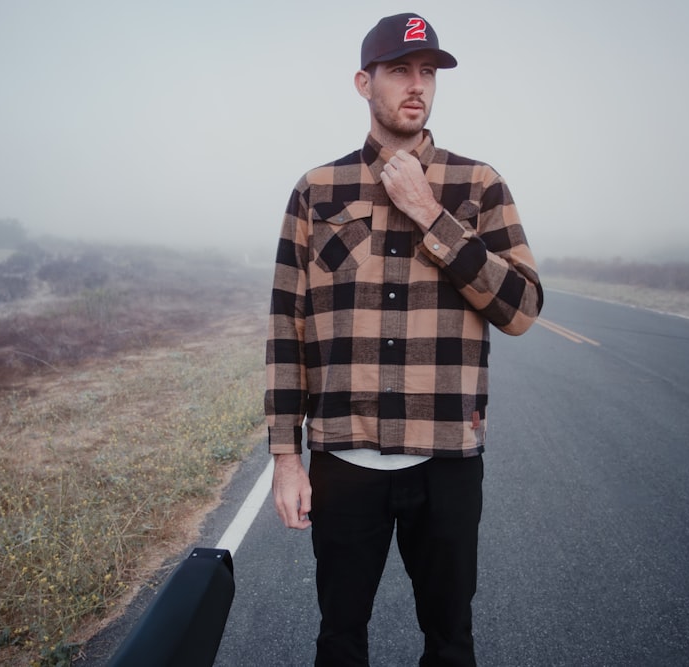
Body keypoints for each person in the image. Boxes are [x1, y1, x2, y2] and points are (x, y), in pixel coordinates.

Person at [265, 12, 543, 666]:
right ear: (365, 82)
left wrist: (429, 212)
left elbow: (522, 308)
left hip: (446, 458)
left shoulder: (478, 186)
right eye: (399, 71)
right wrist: (285, 456)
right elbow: (287, 326)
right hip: (343, 462)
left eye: (428, 72)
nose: (416, 85)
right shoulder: (316, 191)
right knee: (338, 640)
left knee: (451, 642)